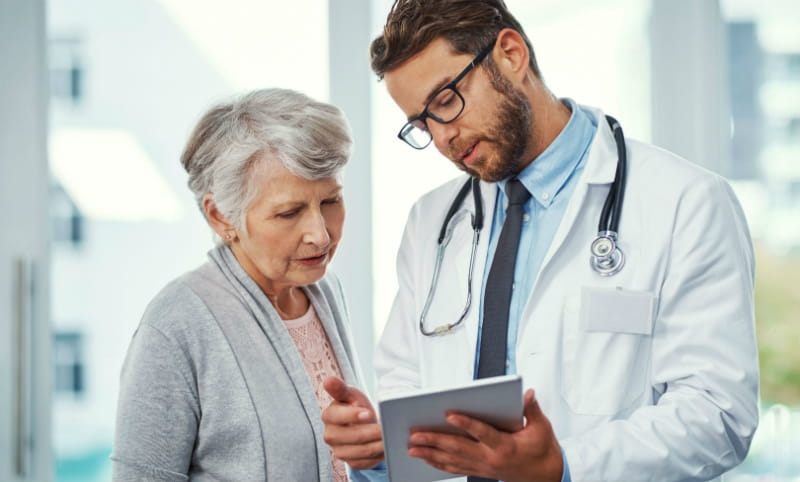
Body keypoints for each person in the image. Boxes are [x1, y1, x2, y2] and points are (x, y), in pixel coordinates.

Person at [321, 1, 759, 481]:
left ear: (510, 54)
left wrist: (564, 469)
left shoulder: (686, 202)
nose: (443, 138)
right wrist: (378, 444)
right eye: (422, 124)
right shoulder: (431, 221)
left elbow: (717, 413)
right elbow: (409, 387)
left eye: (446, 101)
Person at [111, 88, 365, 481]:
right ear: (221, 216)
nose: (320, 234)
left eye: (330, 201)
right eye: (289, 212)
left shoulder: (325, 291)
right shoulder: (176, 323)